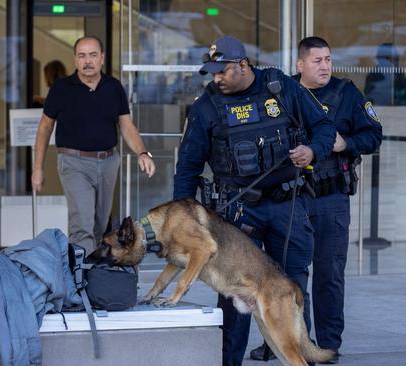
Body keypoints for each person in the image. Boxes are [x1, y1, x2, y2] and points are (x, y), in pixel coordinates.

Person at [173, 35, 336, 366]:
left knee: (289, 290)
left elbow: (323, 127)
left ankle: (299, 358)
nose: (216, 78)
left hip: (286, 207)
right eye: (212, 73)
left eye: (222, 71)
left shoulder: (281, 88)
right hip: (236, 212)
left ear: (243, 65)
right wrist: (183, 220)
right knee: (235, 298)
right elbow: (188, 167)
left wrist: (312, 151)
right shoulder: (207, 106)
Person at [252, 36, 383, 364]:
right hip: (288, 199)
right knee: (284, 277)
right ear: (300, 65)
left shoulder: (346, 93)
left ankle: (327, 346)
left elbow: (373, 136)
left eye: (328, 59)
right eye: (317, 61)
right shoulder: (279, 94)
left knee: (328, 274)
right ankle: (283, 343)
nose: (324, 66)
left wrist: (346, 144)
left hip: (330, 200)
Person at [31, 36, 156, 255]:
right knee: (82, 226)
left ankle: (93, 275)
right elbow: (44, 129)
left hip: (108, 162)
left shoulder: (114, 87)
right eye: (82, 56)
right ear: (75, 59)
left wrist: (142, 152)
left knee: (99, 225)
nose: (87, 61)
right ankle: (81, 281)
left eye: (92, 55)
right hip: (74, 163)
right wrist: (38, 169)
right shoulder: (61, 88)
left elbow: (126, 126)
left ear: (102, 58)